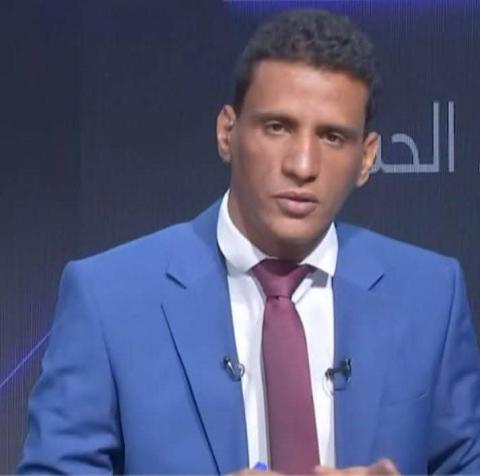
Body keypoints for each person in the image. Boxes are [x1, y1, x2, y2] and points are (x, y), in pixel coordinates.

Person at [18, 8, 480, 475]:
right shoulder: (109, 298)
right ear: (227, 132)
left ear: (366, 158)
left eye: (332, 137)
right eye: (277, 127)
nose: (302, 165)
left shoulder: (430, 294)